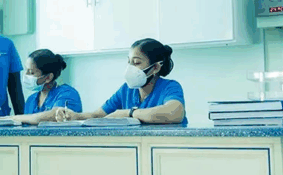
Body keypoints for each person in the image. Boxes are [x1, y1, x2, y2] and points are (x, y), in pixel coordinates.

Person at [55, 38, 187, 126]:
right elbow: (99, 115)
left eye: (136, 63)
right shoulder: (127, 90)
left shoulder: (169, 87)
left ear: (156, 67)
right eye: (129, 62)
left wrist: (129, 113)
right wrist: (75, 116)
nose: (130, 68)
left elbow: (175, 113)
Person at [17, 49, 82, 125]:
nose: (26, 75)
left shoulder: (68, 93)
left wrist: (13, 118)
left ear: (48, 77)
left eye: (31, 72)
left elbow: (55, 116)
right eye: (26, 70)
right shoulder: (31, 100)